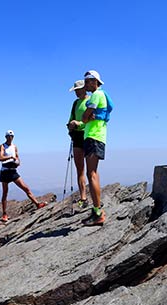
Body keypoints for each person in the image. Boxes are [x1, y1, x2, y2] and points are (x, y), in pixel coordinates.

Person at [0, 130, 45, 223]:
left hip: (13, 170)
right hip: (5, 171)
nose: (10, 138)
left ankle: (37, 204)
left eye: (11, 136)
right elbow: (0, 158)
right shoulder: (2, 146)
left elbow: (17, 157)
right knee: (5, 193)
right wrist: (10, 157)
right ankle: (4, 214)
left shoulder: (14, 147)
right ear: (6, 137)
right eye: (8, 136)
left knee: (26, 188)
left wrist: (18, 162)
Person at [80, 70, 108, 226]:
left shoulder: (96, 95)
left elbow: (85, 117)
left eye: (88, 81)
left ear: (95, 81)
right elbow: (86, 117)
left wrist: (86, 116)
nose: (86, 84)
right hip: (96, 137)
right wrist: (86, 117)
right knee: (92, 173)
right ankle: (96, 210)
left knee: (91, 174)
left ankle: (98, 212)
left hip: (93, 137)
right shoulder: (98, 95)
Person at [67, 80, 90, 209]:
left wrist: (79, 124)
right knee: (80, 169)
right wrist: (70, 126)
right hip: (77, 137)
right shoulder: (75, 103)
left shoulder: (90, 101)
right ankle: (83, 198)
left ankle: (93, 198)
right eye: (75, 90)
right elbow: (70, 119)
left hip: (88, 135)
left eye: (78, 90)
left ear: (84, 89)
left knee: (91, 170)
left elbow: (92, 119)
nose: (76, 92)